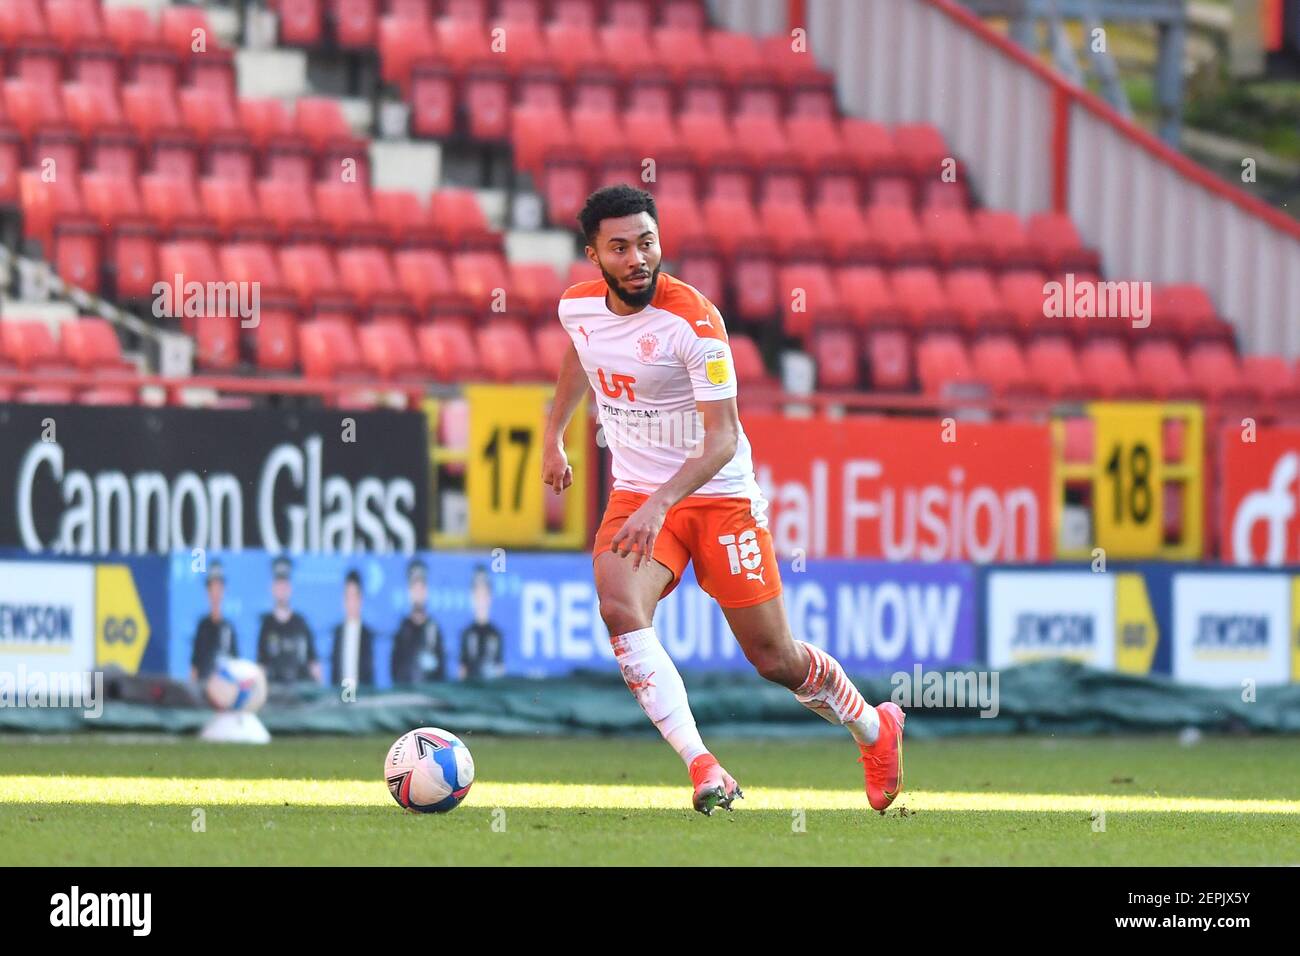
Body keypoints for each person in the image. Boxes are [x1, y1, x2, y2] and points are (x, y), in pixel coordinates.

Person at [541, 184, 905, 815]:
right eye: (620, 247)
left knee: (774, 657)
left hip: (716, 495)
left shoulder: (697, 321)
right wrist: (555, 437)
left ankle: (875, 729)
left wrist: (662, 504)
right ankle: (703, 767)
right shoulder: (578, 308)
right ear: (593, 256)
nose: (637, 259)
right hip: (637, 493)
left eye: (646, 242)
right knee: (620, 608)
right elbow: (583, 354)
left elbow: (722, 438)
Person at [256, 556, 321, 685]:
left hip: (299, 692)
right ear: (273, 589)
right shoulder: (266, 625)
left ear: (290, 589)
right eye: (278, 585)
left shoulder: (301, 623)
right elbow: (261, 666)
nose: (281, 590)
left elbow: (314, 664)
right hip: (275, 694)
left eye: (284, 586)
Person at [390, 559, 445, 683]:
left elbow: (442, 674)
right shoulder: (402, 631)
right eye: (415, 588)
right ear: (409, 592)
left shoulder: (434, 630)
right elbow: (394, 672)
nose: (418, 593)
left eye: (421, 588)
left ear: (426, 591)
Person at [190, 560, 238, 683]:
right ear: (208, 591)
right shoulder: (203, 626)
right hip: (204, 685)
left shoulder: (228, 628)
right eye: (212, 588)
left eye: (219, 588)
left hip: (223, 688)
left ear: (223, 591)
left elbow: (235, 664)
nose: (216, 593)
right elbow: (195, 662)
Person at [331, 569, 375, 688]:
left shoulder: (368, 634)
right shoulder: (337, 632)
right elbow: (334, 671)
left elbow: (370, 673)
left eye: (354, 596)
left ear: (360, 599)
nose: (350, 602)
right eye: (347, 596)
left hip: (362, 697)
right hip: (341, 697)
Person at [459, 565, 504, 680]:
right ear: (472, 597)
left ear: (490, 597)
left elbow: (500, 669)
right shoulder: (467, 633)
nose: (481, 599)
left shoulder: (496, 634)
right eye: (477, 594)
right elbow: (462, 671)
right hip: (470, 692)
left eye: (484, 595)